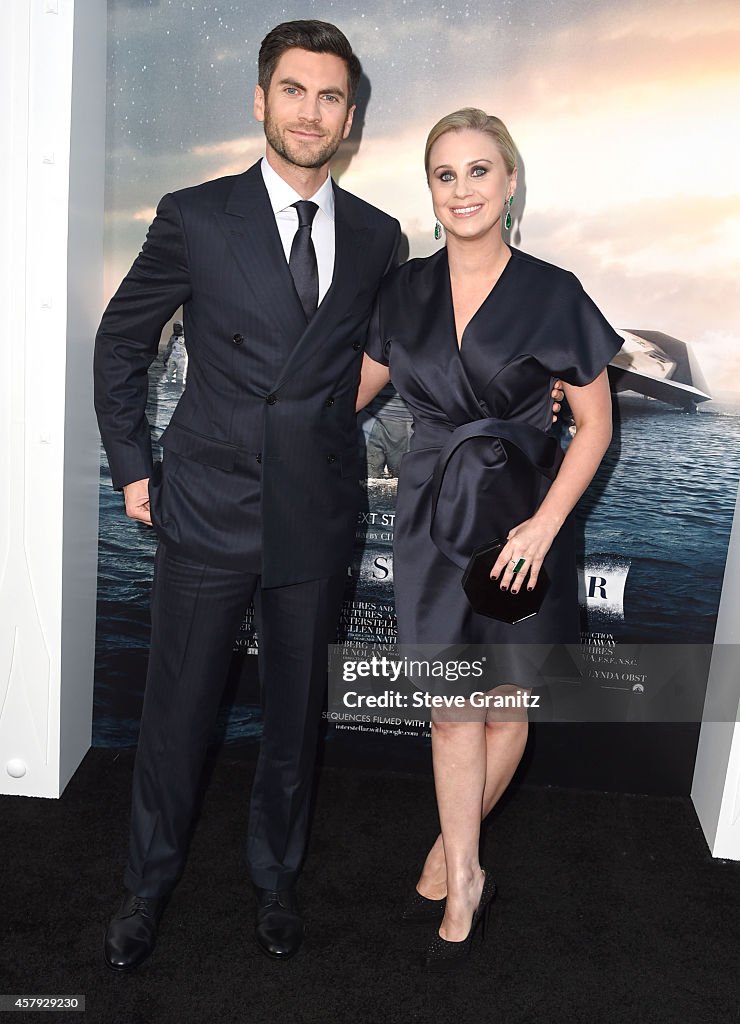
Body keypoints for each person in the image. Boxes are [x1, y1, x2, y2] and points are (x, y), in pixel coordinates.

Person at [93, 20, 401, 970]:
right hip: (208, 506)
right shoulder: (195, 213)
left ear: (351, 117)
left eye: (332, 97)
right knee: (177, 714)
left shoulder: (381, 237)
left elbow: (388, 356)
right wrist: (137, 469)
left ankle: (276, 878)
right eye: (295, 91)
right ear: (260, 98)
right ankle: (146, 888)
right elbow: (122, 344)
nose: (312, 112)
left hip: (317, 514)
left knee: (294, 718)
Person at [357, 108, 621, 971]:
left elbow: (593, 427)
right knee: (449, 710)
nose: (462, 189)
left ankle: (446, 847)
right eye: (445, 174)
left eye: (479, 171)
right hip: (433, 521)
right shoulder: (402, 293)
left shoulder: (556, 292)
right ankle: (466, 872)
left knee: (506, 704)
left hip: (521, 524)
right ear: (430, 193)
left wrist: (546, 526)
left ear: (510, 182)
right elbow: (347, 395)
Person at [161, 320, 188, 385]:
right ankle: (169, 386)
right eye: (175, 327)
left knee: (180, 376)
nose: (177, 329)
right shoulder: (172, 337)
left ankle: (179, 389)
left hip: (182, 359)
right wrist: (165, 358)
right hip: (172, 357)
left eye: (178, 327)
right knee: (169, 374)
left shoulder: (186, 336)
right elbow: (169, 348)